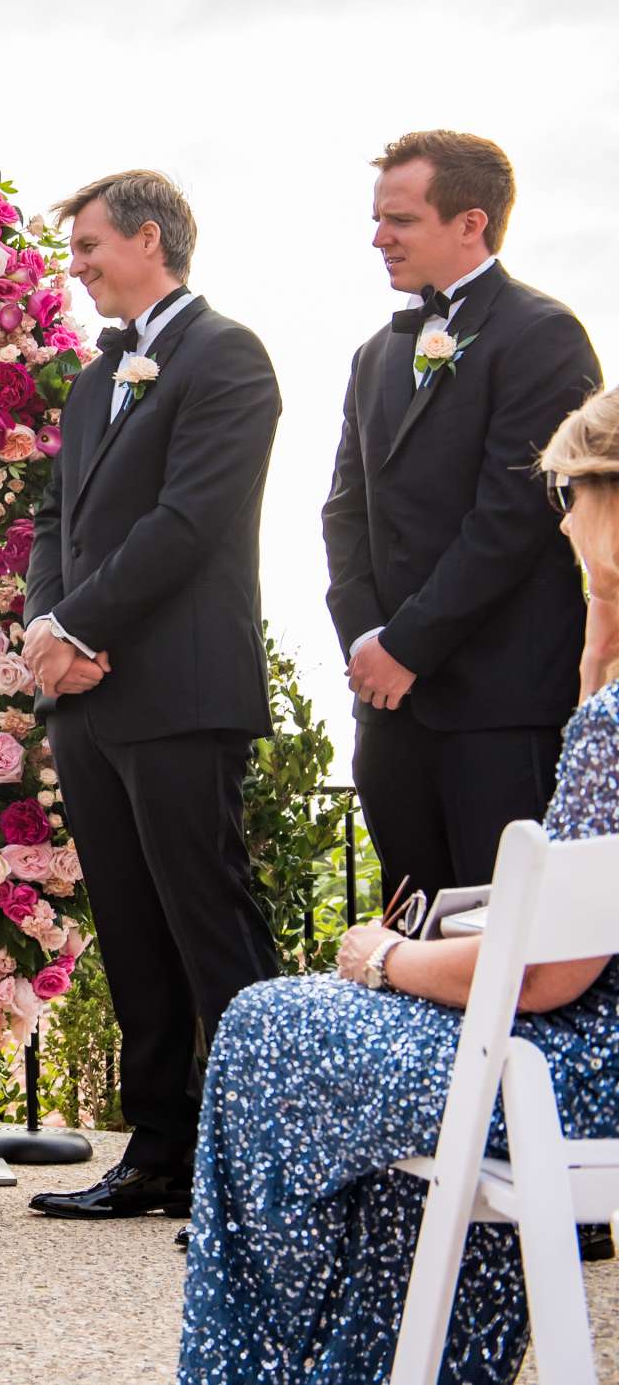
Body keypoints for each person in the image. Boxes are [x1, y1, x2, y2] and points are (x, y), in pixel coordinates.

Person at [178, 385, 619, 1384]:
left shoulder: (613, 724)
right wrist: (598, 635)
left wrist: (387, 956)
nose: (560, 519)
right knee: (378, 1080)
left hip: (574, 1082)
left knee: (267, 1026)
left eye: (565, 495)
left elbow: (547, 976)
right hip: (578, 1065)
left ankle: (267, 1364)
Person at [19, 170, 282, 1224]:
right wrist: (46, 629)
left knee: (209, 925)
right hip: (87, 703)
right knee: (131, 931)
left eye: (87, 245)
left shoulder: (228, 358)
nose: (75, 265)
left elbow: (189, 521)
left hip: (180, 688)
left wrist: (83, 626)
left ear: (147, 236)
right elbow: (51, 521)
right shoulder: (93, 384)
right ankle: (159, 1156)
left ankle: (260, 1167)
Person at [322, 130, 605, 902]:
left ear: (470, 223)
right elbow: (345, 511)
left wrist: (409, 644)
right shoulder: (374, 354)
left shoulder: (543, 334)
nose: (379, 238)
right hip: (389, 713)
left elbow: (511, 519)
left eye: (401, 220)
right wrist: (366, 644)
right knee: (410, 936)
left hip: (500, 710)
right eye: (378, 219)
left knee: (503, 940)